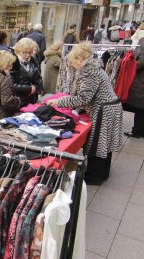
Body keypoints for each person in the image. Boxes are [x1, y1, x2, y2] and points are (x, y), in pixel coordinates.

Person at [46, 42, 123, 184]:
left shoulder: (88, 71)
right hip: (108, 107)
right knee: (104, 144)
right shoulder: (93, 68)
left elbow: (84, 98)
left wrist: (59, 102)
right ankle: (102, 174)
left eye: (72, 61)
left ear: (79, 59)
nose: (71, 64)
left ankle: (94, 178)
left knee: (98, 144)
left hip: (104, 110)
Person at [10, 37, 42, 107]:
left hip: (31, 101)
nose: (27, 55)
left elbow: (39, 81)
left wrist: (35, 87)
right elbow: (10, 84)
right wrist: (28, 88)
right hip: (17, 102)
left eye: (29, 52)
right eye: (24, 52)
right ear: (18, 51)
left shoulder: (34, 61)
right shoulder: (13, 62)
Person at [123, 38, 144, 138]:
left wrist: (128, 62)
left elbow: (137, 65)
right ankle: (140, 131)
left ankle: (136, 132)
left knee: (140, 109)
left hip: (141, 84)